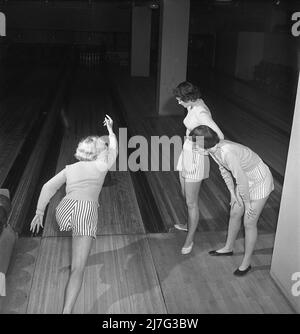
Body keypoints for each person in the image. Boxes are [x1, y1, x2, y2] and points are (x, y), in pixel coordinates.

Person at [30, 115, 118, 313]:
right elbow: (113, 148)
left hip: (64, 211)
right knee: (78, 269)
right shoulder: (102, 166)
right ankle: (67, 311)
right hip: (84, 212)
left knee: (74, 226)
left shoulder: (69, 168)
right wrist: (111, 131)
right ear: (99, 154)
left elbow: (47, 187)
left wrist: (39, 212)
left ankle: (72, 226)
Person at [189, 125, 274, 276]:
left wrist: (247, 204)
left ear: (204, 144)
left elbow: (240, 178)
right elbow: (224, 170)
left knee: (249, 221)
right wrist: (233, 195)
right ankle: (228, 248)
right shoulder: (213, 149)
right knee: (235, 212)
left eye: (196, 143)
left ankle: (246, 263)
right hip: (244, 179)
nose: (194, 146)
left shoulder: (226, 152)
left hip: (259, 179)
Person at [173, 81, 224, 254]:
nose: (178, 102)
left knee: (191, 202)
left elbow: (219, 136)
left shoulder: (201, 112)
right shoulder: (193, 106)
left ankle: (190, 239)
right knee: (185, 195)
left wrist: (198, 147)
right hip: (186, 154)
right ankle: (188, 224)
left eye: (180, 99)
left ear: (189, 98)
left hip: (195, 159)